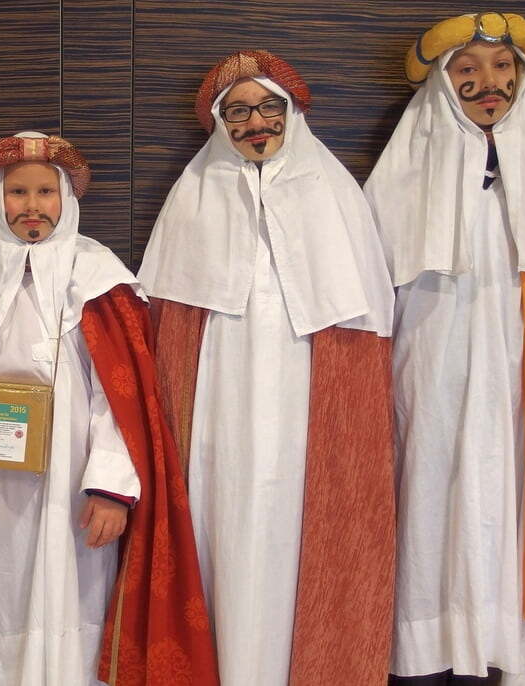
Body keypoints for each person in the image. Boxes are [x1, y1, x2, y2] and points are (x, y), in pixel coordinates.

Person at [0, 132, 218, 686]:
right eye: (17, 192)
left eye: (45, 191)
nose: (32, 206)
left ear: (66, 198)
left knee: (76, 601)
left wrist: (111, 488)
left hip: (74, 488)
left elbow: (119, 398)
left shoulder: (99, 276)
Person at [137, 50, 397, 685]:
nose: (255, 122)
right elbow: (168, 332)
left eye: (267, 107)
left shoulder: (335, 194)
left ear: (293, 112)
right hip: (218, 399)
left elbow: (363, 332)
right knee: (217, 518)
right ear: (219, 122)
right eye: (237, 111)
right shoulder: (193, 196)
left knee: (296, 527)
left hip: (305, 394)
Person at [365, 12, 525, 686]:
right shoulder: (407, 173)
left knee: (514, 492)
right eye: (466, 70)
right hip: (429, 367)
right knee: (429, 487)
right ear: (443, 85)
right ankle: (424, 652)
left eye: (502, 67)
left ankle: (506, 647)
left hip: (523, 378)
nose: (488, 83)